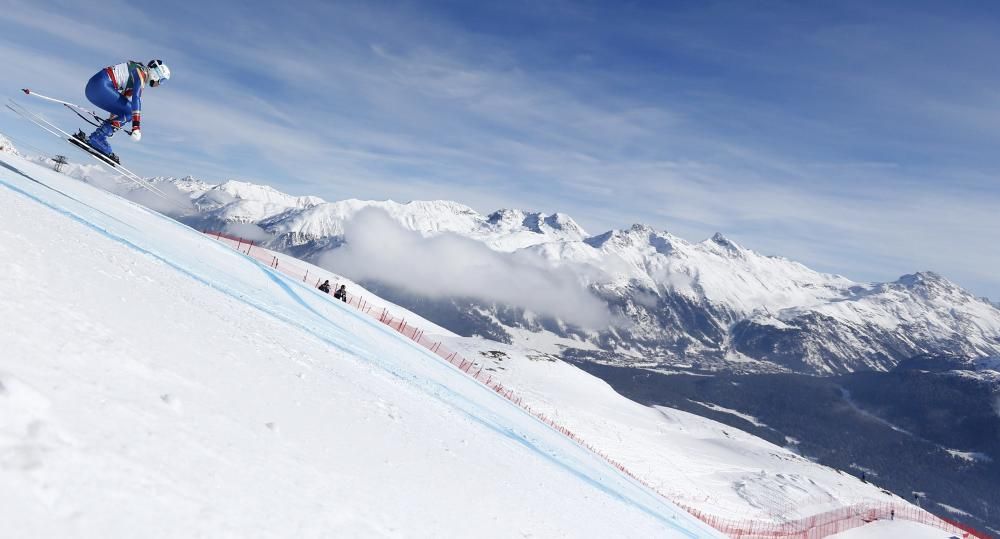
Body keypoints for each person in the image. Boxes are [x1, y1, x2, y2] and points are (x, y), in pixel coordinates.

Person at [83, 59, 171, 160]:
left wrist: (113, 119)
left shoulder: (137, 69)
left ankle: (101, 134)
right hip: (101, 87)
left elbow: (123, 98)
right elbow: (136, 99)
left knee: (127, 110)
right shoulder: (141, 74)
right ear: (156, 73)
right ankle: (98, 137)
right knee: (130, 111)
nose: (160, 84)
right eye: (162, 80)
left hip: (92, 88)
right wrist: (136, 128)